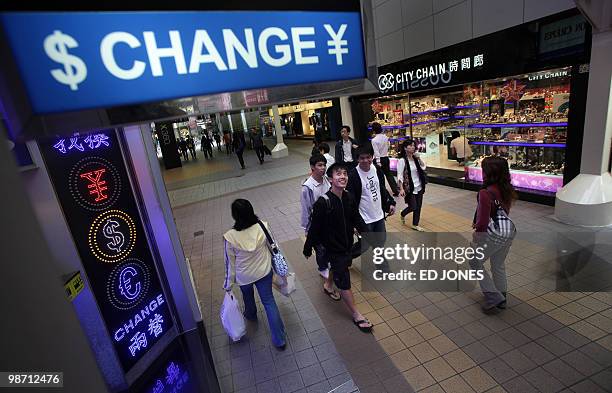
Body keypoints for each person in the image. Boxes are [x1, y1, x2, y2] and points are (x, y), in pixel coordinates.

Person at [303, 162, 372, 333]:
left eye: (345, 174)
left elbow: (355, 217)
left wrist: (366, 231)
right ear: (330, 178)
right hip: (334, 248)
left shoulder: (348, 197)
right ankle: (356, 314)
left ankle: (327, 285)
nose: (343, 177)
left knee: (338, 268)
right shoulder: (323, 202)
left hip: (347, 244)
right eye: (338, 174)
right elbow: (315, 228)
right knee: (344, 281)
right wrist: (307, 247)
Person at [223, 199, 286, 349]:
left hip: (244, 276)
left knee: (247, 296)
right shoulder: (262, 226)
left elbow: (229, 264)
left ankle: (251, 314)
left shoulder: (230, 237)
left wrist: (228, 284)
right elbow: (273, 246)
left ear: (235, 215)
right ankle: (280, 340)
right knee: (269, 302)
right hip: (264, 271)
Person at [470, 156, 516, 314]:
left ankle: (493, 296)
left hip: (493, 234)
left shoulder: (485, 192)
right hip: (508, 231)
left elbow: (482, 222)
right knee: (498, 264)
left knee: (474, 262)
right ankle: (502, 298)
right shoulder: (507, 188)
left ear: (489, 172)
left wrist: (477, 239)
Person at [346, 145, 396, 235]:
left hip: (379, 216)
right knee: (365, 246)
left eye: (368, 157)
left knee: (380, 243)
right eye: (362, 158)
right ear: (357, 159)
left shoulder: (376, 169)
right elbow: (350, 201)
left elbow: (382, 189)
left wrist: (390, 202)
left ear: (372, 157)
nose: (365, 160)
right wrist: (354, 223)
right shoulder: (353, 175)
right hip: (364, 219)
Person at [300, 154, 331, 280]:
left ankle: (327, 262)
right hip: (317, 224)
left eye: (324, 165)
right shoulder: (307, 188)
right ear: (312, 167)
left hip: (330, 221)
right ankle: (322, 268)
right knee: (320, 248)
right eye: (319, 165)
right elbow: (305, 209)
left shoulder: (327, 180)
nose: (323, 168)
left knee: (328, 244)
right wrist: (307, 229)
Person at [397, 139, 427, 231]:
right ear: (405, 148)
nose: (413, 147)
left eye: (414, 145)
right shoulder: (402, 160)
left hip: (419, 185)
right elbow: (400, 175)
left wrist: (419, 158)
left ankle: (415, 224)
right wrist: (401, 189)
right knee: (413, 206)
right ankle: (403, 214)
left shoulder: (415, 158)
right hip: (409, 187)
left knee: (419, 206)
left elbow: (423, 167)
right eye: (410, 145)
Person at [371, 122, 399, 196]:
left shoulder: (374, 140)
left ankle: (382, 192)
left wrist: (378, 162)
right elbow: (388, 147)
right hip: (386, 157)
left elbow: (376, 152)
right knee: (389, 174)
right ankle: (395, 190)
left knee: (380, 176)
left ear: (373, 130)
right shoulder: (386, 137)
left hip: (379, 159)